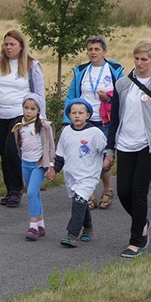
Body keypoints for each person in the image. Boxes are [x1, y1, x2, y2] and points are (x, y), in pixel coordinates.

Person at [104, 38, 151, 258]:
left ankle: (135, 241)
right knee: (123, 192)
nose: (139, 63)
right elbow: (114, 119)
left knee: (139, 190)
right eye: (136, 58)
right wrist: (110, 149)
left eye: (144, 59)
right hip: (126, 143)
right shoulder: (122, 84)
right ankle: (142, 222)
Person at [0, 29, 45, 207]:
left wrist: (42, 118)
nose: (8, 47)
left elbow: (39, 93)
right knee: (3, 154)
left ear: (21, 46)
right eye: (6, 44)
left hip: (19, 115)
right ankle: (9, 190)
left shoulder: (32, 65)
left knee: (11, 149)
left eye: (12, 44)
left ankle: (17, 189)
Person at [63, 35, 124, 210]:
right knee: (87, 158)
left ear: (105, 51)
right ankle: (88, 193)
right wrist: (67, 120)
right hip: (84, 123)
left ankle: (107, 189)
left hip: (106, 121)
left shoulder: (114, 70)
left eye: (97, 49)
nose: (93, 52)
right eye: (90, 49)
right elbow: (72, 96)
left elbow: (123, 94)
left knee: (105, 157)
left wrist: (109, 99)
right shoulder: (81, 71)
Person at [52, 98, 107, 248]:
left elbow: (106, 149)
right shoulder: (66, 132)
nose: (77, 116)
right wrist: (55, 169)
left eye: (81, 113)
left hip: (88, 175)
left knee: (79, 201)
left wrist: (108, 159)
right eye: (73, 113)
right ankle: (88, 229)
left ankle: (72, 235)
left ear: (88, 115)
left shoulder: (94, 133)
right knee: (79, 202)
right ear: (69, 115)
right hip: (71, 174)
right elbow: (61, 154)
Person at [13, 93, 55, 240]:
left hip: (39, 164)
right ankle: (41, 224)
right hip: (25, 162)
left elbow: (50, 146)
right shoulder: (20, 125)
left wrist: (50, 165)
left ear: (38, 110)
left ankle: (33, 227)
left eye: (32, 108)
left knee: (30, 193)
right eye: (26, 108)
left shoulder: (44, 125)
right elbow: (20, 144)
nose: (28, 111)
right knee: (35, 193)